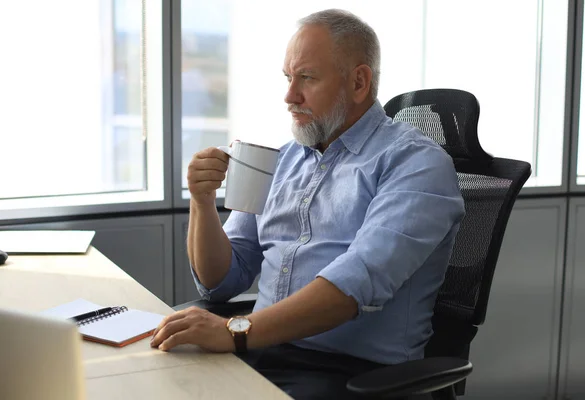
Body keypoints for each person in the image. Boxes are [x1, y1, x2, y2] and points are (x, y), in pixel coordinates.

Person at [151, 8, 465, 399]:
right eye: (287, 77)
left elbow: (354, 284)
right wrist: (201, 202)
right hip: (259, 349)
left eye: (307, 78)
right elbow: (220, 281)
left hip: (348, 373)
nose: (289, 95)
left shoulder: (416, 163)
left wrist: (237, 331)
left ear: (358, 82)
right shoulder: (281, 160)